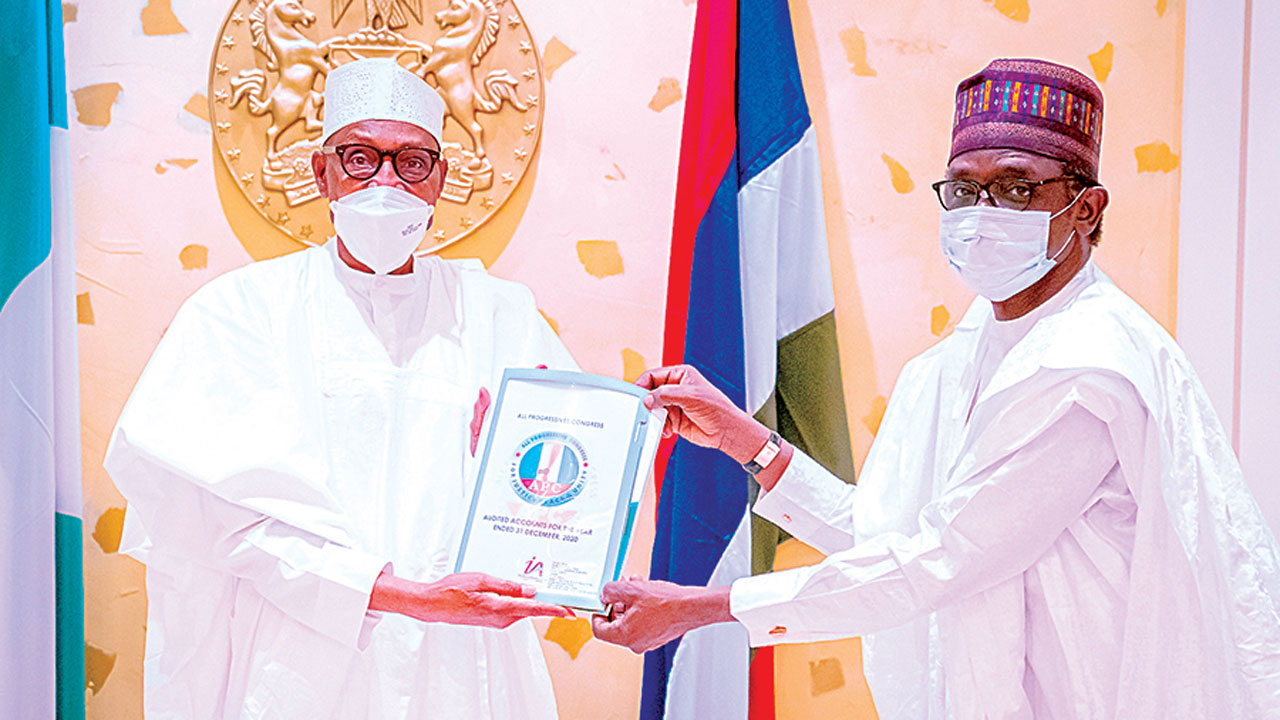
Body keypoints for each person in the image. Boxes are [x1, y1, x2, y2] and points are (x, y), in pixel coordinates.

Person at [591, 58, 1280, 719]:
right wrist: (745, 440)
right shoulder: (955, 359)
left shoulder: (1090, 366)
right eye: (962, 189)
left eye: (1016, 188)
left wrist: (699, 609)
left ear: (1086, 209)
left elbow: (939, 560)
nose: (982, 212)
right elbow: (888, 537)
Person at [105, 58, 574, 720]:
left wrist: (524, 460)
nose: (386, 180)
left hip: (464, 663)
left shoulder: (503, 317)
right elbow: (209, 513)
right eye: (360, 158)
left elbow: (570, 491)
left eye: (411, 162)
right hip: (299, 660)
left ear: (440, 179)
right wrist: (403, 596)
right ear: (321, 171)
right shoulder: (241, 312)